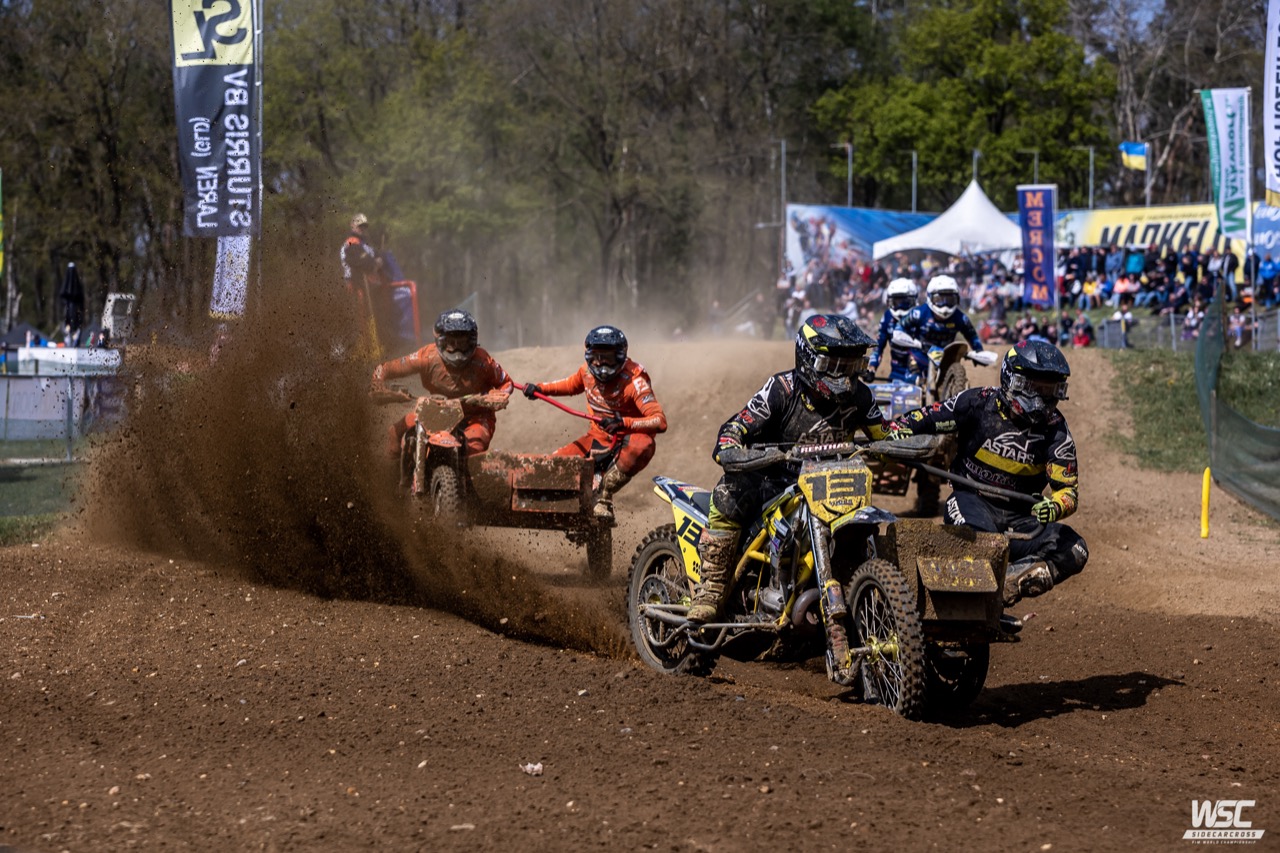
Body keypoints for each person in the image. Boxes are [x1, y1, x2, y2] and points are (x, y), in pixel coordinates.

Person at [686, 314, 891, 623]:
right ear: (810, 360)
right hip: (775, 480)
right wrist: (730, 445)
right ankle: (711, 588)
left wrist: (911, 442)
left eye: (851, 366)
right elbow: (738, 425)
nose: (844, 376)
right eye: (836, 365)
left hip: (832, 483)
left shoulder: (860, 396)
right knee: (731, 491)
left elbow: (884, 436)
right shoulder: (782, 388)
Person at [887, 339, 1088, 606]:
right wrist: (891, 431)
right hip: (971, 502)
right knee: (983, 545)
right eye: (1035, 388)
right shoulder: (978, 402)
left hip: (1020, 519)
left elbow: (1068, 492)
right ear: (1013, 380)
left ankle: (1010, 583)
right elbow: (929, 416)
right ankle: (980, 588)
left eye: (1050, 390)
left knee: (1075, 549)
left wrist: (1055, 506)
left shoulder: (1057, 432)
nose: (1041, 399)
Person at [521, 325, 666, 520]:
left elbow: (659, 421)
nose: (602, 364)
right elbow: (569, 385)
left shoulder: (635, 380)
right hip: (596, 439)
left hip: (625, 442)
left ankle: (603, 496)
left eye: (608, 357)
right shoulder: (586, 372)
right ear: (589, 356)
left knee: (644, 444)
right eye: (597, 357)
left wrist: (624, 423)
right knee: (547, 469)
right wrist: (539, 389)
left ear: (621, 355)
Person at [369, 309, 513, 459]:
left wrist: (499, 395)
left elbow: (506, 382)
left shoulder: (483, 361)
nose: (457, 349)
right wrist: (377, 383)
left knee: (474, 448)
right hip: (438, 410)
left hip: (475, 416)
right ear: (440, 341)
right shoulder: (426, 357)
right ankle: (391, 470)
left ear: (472, 341)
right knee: (395, 431)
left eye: (462, 343)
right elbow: (384, 369)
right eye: (452, 343)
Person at [898, 274, 986, 375]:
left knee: (955, 375)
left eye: (949, 300)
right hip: (920, 356)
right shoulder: (919, 313)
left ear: (956, 299)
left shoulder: (961, 318)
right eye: (939, 300)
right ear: (930, 298)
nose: (945, 305)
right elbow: (899, 328)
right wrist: (909, 341)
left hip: (946, 359)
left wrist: (978, 351)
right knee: (911, 377)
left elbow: (972, 336)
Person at [868, 278, 921, 384]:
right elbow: (878, 346)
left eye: (904, 302)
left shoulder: (922, 315)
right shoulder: (887, 317)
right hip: (896, 375)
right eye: (896, 302)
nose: (900, 307)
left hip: (920, 375)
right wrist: (872, 367)